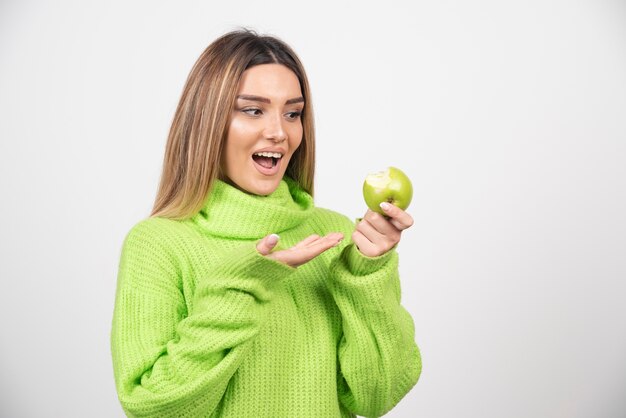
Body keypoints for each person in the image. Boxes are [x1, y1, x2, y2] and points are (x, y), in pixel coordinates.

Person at [110, 29, 421, 418]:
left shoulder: (335, 236)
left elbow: (376, 397)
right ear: (208, 122)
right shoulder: (158, 243)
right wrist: (248, 285)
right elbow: (153, 406)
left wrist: (367, 275)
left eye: (292, 113)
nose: (279, 132)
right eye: (253, 110)